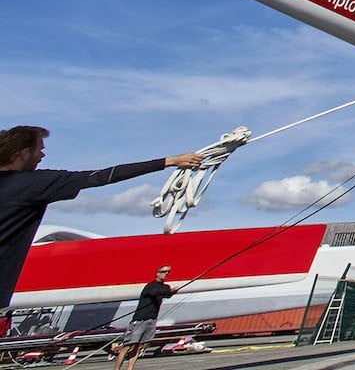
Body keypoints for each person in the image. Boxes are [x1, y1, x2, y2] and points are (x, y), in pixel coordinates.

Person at [0, 126, 205, 310]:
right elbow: (102, 177)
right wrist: (170, 161)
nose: (42, 154)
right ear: (22, 153)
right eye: (39, 149)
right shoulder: (34, 184)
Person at [113, 265, 175, 370]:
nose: (166, 273)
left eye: (168, 272)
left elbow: (167, 294)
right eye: (163, 271)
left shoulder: (165, 287)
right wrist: (169, 291)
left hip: (151, 319)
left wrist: (172, 292)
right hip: (140, 320)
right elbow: (155, 292)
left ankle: (130, 368)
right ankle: (117, 369)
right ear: (157, 273)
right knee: (128, 346)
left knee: (139, 346)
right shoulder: (150, 286)